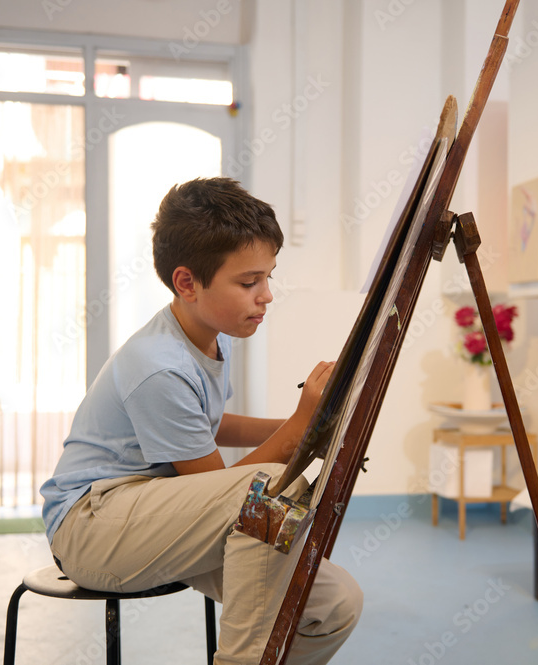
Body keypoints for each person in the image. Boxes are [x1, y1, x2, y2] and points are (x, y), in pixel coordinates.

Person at [40, 177, 362, 665]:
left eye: (268, 277)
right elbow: (227, 491)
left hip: (160, 515)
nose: (267, 295)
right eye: (249, 282)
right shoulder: (158, 365)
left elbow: (206, 427)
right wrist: (300, 426)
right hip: (92, 528)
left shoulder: (212, 334)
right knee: (268, 489)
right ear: (187, 283)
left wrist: (307, 427)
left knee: (335, 604)